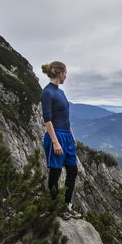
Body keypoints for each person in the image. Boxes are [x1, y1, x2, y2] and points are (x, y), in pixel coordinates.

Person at [40, 61, 81, 220]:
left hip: (66, 135)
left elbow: (65, 117)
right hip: (55, 136)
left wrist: (71, 135)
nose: (66, 76)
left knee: (73, 170)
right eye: (65, 73)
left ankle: (67, 205)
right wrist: (55, 142)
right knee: (55, 173)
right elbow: (48, 120)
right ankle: (54, 207)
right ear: (59, 73)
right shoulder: (47, 93)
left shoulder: (60, 92)